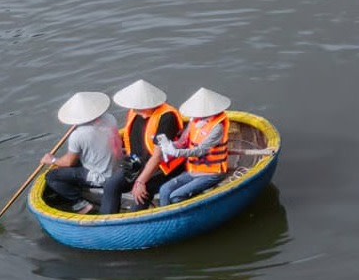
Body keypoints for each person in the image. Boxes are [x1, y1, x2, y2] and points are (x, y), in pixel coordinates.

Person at [102, 79, 182, 214]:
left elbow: (158, 156)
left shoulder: (167, 117)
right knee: (111, 185)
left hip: (161, 168)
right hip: (137, 163)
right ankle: (106, 222)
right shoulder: (134, 113)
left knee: (140, 194)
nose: (136, 109)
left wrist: (140, 182)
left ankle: (134, 223)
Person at [40, 92, 120, 214]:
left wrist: (51, 160)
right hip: (117, 167)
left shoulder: (78, 135)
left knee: (52, 177)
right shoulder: (110, 118)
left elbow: (69, 162)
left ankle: (80, 204)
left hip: (102, 176)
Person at [153, 88, 233, 206]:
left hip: (212, 173)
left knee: (176, 196)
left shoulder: (217, 128)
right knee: (164, 190)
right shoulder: (194, 122)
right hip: (194, 170)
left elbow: (201, 150)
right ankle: (165, 217)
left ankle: (181, 216)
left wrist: (176, 153)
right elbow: (183, 142)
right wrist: (169, 145)